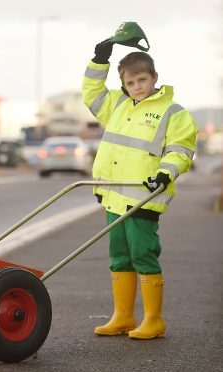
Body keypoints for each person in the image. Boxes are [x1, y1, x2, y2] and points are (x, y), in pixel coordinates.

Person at [82, 40, 198, 339]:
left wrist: (164, 174)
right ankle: (123, 316)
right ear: (123, 83)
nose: (136, 86)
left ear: (154, 78)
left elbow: (180, 152)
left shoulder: (174, 112)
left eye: (142, 80)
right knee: (119, 256)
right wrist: (99, 59)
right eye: (130, 82)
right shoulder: (116, 105)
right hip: (113, 195)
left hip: (144, 196)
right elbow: (92, 93)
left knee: (143, 255)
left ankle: (154, 320)